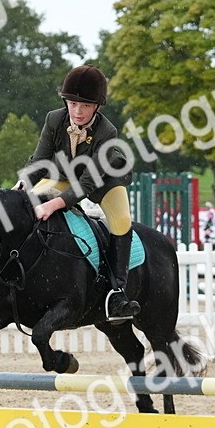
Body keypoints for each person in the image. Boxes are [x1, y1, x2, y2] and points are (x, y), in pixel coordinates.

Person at [16, 64, 139, 322]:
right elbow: (40, 160)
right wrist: (24, 184)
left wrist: (55, 205)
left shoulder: (107, 132)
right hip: (61, 176)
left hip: (103, 181)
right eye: (72, 104)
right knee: (30, 201)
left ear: (97, 106)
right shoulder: (53, 119)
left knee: (121, 221)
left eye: (85, 106)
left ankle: (117, 293)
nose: (78, 111)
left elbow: (86, 184)